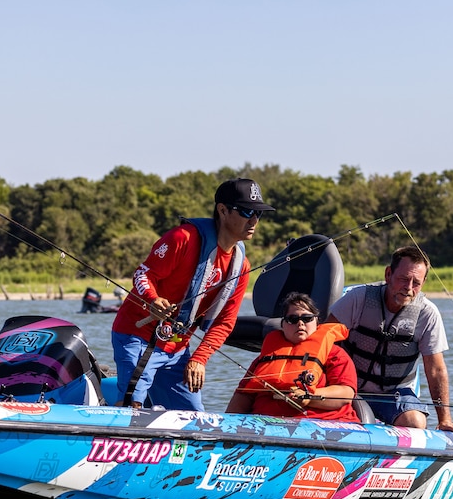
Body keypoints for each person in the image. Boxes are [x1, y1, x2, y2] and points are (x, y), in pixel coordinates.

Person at [111, 178, 273, 411]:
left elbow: (225, 323)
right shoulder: (183, 238)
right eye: (248, 212)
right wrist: (152, 300)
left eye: (259, 214)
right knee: (131, 406)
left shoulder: (241, 266)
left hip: (177, 348)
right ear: (223, 210)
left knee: (194, 418)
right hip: (139, 336)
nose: (254, 220)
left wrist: (199, 358)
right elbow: (143, 275)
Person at [327, 245, 453, 437]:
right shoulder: (358, 298)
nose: (408, 288)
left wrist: (445, 420)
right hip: (349, 388)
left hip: (393, 394)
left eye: (416, 282)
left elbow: (435, 369)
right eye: (403, 279)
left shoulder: (428, 314)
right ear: (388, 274)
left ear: (424, 282)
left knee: (416, 422)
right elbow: (324, 341)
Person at [226, 292, 359, 421]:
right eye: (293, 319)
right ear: (283, 324)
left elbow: (345, 393)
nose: (300, 323)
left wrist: (309, 398)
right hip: (265, 422)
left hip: (322, 423)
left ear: (317, 322)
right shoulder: (266, 356)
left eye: (307, 318)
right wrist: (226, 425)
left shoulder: (336, 354)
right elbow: (243, 394)